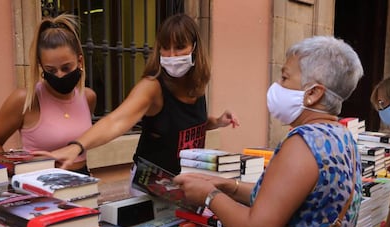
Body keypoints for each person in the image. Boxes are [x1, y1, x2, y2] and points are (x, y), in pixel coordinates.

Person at [174, 36, 364, 227]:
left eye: (285, 78)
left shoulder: (303, 144)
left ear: (313, 93)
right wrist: (229, 186)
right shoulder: (341, 138)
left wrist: (210, 195)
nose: (277, 86)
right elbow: (286, 200)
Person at [35, 13, 238, 180]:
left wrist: (216, 121)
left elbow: (186, 125)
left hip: (188, 183)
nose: (172, 55)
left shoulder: (197, 85)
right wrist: (77, 147)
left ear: (195, 48)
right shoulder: (152, 86)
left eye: (179, 47)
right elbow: (117, 120)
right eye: (165, 48)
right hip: (151, 187)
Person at [0, 13, 96, 175]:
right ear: (41, 67)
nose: (60, 75)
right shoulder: (26, 100)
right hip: (39, 185)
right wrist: (16, 170)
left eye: (66, 68)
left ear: (80, 62)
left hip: (83, 182)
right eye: (51, 70)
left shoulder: (88, 97)